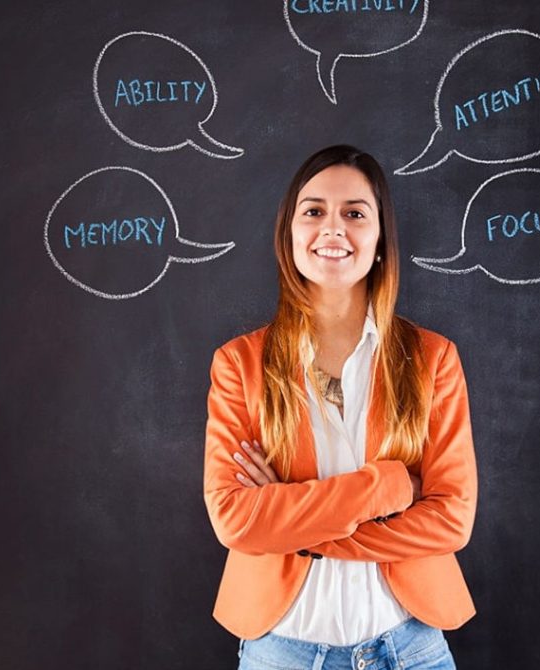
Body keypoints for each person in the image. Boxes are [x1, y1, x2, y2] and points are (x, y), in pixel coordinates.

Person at [204, 145, 478, 669]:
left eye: (354, 213)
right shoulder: (238, 364)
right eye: (314, 211)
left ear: (379, 240)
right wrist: (388, 487)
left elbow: (450, 520)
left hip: (412, 649)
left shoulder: (433, 358)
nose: (333, 228)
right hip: (280, 654)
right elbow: (236, 521)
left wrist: (294, 526)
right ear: (290, 233)